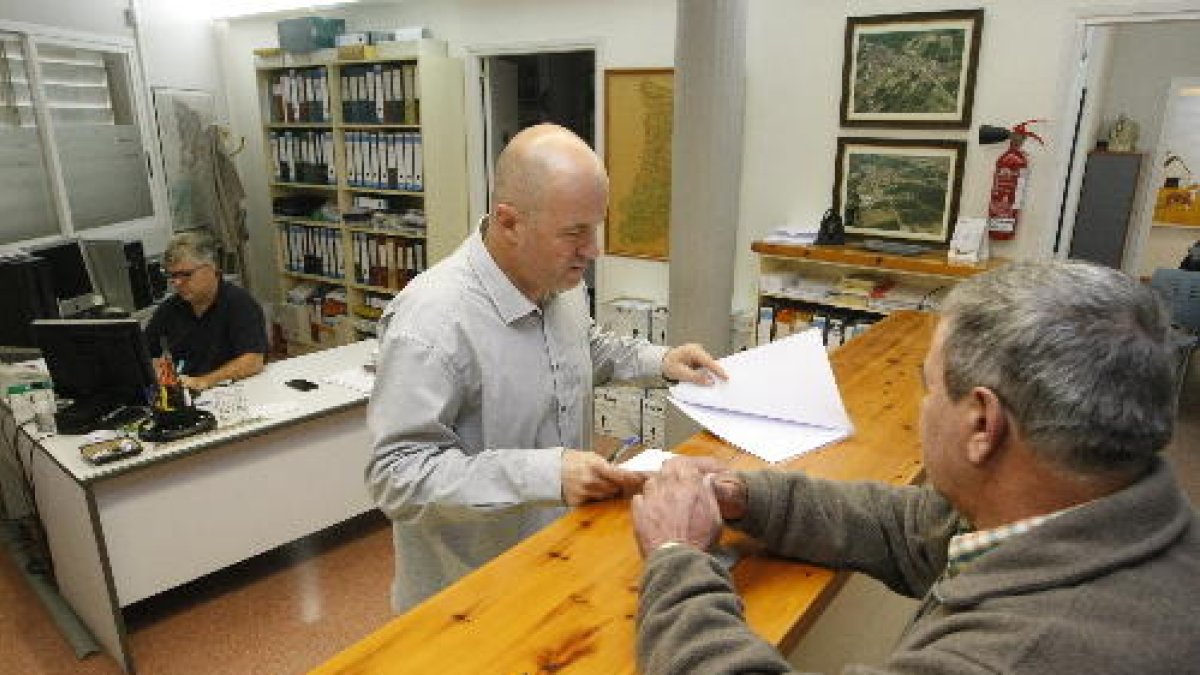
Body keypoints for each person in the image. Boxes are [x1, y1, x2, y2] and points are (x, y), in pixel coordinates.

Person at [631, 260, 1200, 674]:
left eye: (928, 389)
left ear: (982, 425)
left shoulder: (1026, 654)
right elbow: (909, 525)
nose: (921, 407)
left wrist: (677, 560)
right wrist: (746, 496)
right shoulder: (1105, 508)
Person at [366, 123, 727, 612]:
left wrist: (660, 361)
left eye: (596, 227)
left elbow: (587, 346)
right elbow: (397, 475)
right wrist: (545, 473)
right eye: (575, 232)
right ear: (509, 222)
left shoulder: (560, 279)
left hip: (556, 562)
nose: (594, 249)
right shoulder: (431, 323)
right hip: (466, 601)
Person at [144, 231, 267, 391]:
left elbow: (253, 361)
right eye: (172, 276)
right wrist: (153, 368)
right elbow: (143, 351)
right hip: (187, 395)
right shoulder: (170, 308)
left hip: (236, 391)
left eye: (186, 274)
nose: (177, 283)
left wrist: (204, 381)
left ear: (211, 268)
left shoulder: (240, 303)